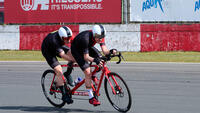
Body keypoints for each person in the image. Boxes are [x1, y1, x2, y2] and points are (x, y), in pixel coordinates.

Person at [71, 25, 117, 106]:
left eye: (102, 37)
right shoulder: (85, 38)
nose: (100, 39)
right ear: (94, 34)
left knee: (101, 60)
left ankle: (93, 76)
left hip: (87, 47)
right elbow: (86, 57)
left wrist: (111, 52)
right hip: (77, 50)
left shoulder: (99, 36)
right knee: (88, 72)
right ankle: (91, 98)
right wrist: (95, 60)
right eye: (99, 37)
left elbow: (105, 51)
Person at [41, 26, 75, 104]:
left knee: (72, 54)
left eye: (69, 38)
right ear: (62, 37)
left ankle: (67, 74)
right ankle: (64, 95)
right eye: (67, 39)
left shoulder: (67, 36)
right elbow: (63, 55)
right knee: (58, 70)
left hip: (59, 45)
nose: (69, 40)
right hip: (48, 50)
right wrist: (74, 60)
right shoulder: (54, 40)